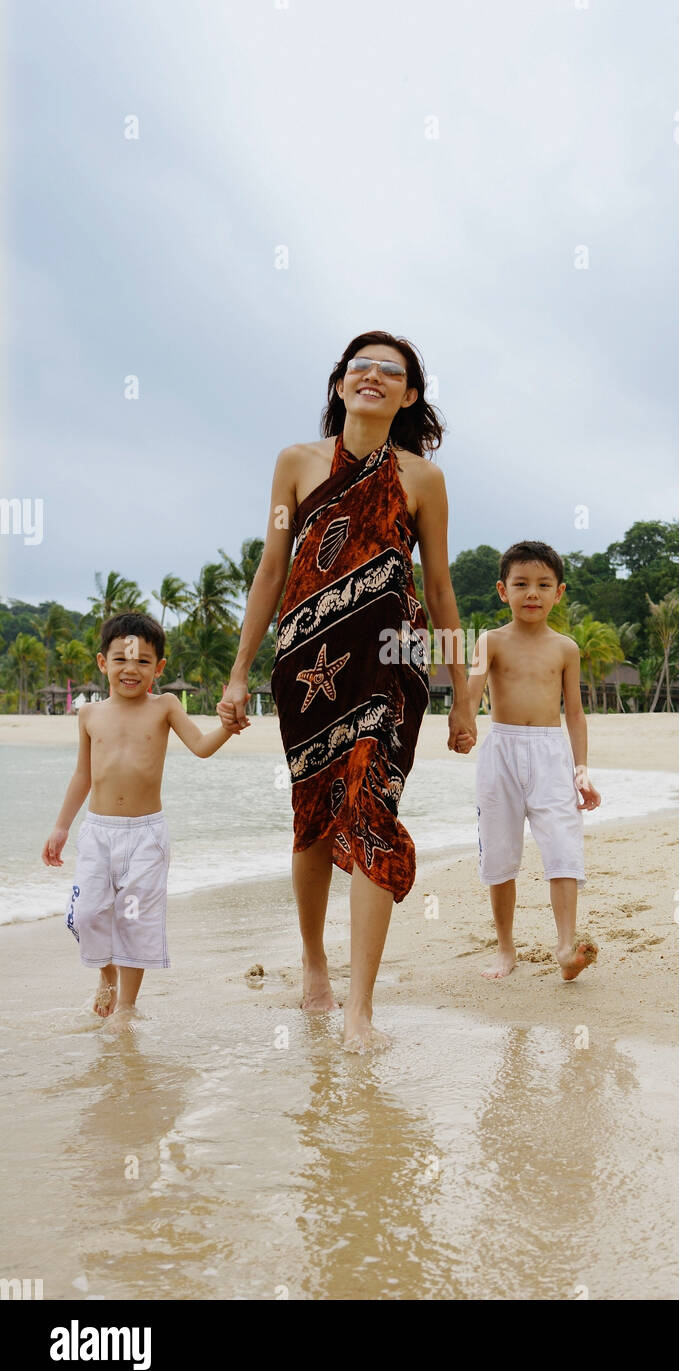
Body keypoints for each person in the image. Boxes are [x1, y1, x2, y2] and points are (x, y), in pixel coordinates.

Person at [217, 331, 476, 1052]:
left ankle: (361, 1007)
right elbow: (272, 568)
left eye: (390, 371)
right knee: (314, 817)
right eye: (359, 367)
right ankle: (313, 962)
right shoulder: (293, 466)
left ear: (409, 395)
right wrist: (239, 673)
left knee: (372, 810)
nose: (373, 377)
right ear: (339, 387)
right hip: (307, 665)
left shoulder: (424, 480)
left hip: (390, 666)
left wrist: (461, 691)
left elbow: (440, 587)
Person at [42, 613, 236, 1035]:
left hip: (146, 835)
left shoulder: (165, 706)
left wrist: (227, 727)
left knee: (135, 920)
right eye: (121, 659)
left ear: (159, 668)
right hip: (98, 832)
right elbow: (83, 774)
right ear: (102, 662)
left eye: (143, 661)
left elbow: (201, 747)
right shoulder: (89, 714)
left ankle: (126, 1007)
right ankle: (107, 974)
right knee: (88, 913)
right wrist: (61, 826)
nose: (131, 669)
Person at [457, 541, 602, 981]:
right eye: (521, 584)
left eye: (543, 585)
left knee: (562, 844)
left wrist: (581, 769)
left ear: (560, 592)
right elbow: (471, 691)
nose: (532, 593)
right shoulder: (491, 641)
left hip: (549, 752)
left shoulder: (566, 648)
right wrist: (462, 725)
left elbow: (574, 714)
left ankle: (565, 946)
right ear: (504, 591)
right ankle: (505, 949)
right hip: (501, 751)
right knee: (499, 850)